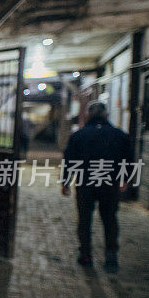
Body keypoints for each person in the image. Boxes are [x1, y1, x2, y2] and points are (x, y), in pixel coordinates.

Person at [61, 101, 133, 273]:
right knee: (109, 219)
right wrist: (125, 179)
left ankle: (86, 255)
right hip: (109, 184)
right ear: (107, 115)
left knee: (85, 219)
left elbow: (69, 159)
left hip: (85, 183)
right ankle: (111, 255)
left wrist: (66, 181)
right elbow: (128, 158)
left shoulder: (79, 135)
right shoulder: (119, 135)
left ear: (87, 115)